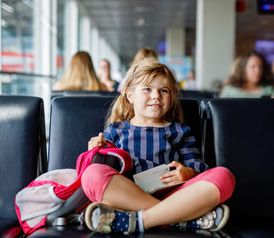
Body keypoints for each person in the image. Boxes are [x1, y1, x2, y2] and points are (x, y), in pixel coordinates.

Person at [82, 58, 236, 234]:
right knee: (92, 174)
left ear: (171, 97)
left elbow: (196, 165)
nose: (156, 96)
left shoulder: (180, 131)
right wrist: (95, 151)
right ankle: (181, 218)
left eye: (163, 90)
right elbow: (107, 170)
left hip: (175, 194)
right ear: (130, 96)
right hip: (129, 197)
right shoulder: (115, 130)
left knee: (224, 176)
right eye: (147, 89)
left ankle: (140, 220)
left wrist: (188, 173)